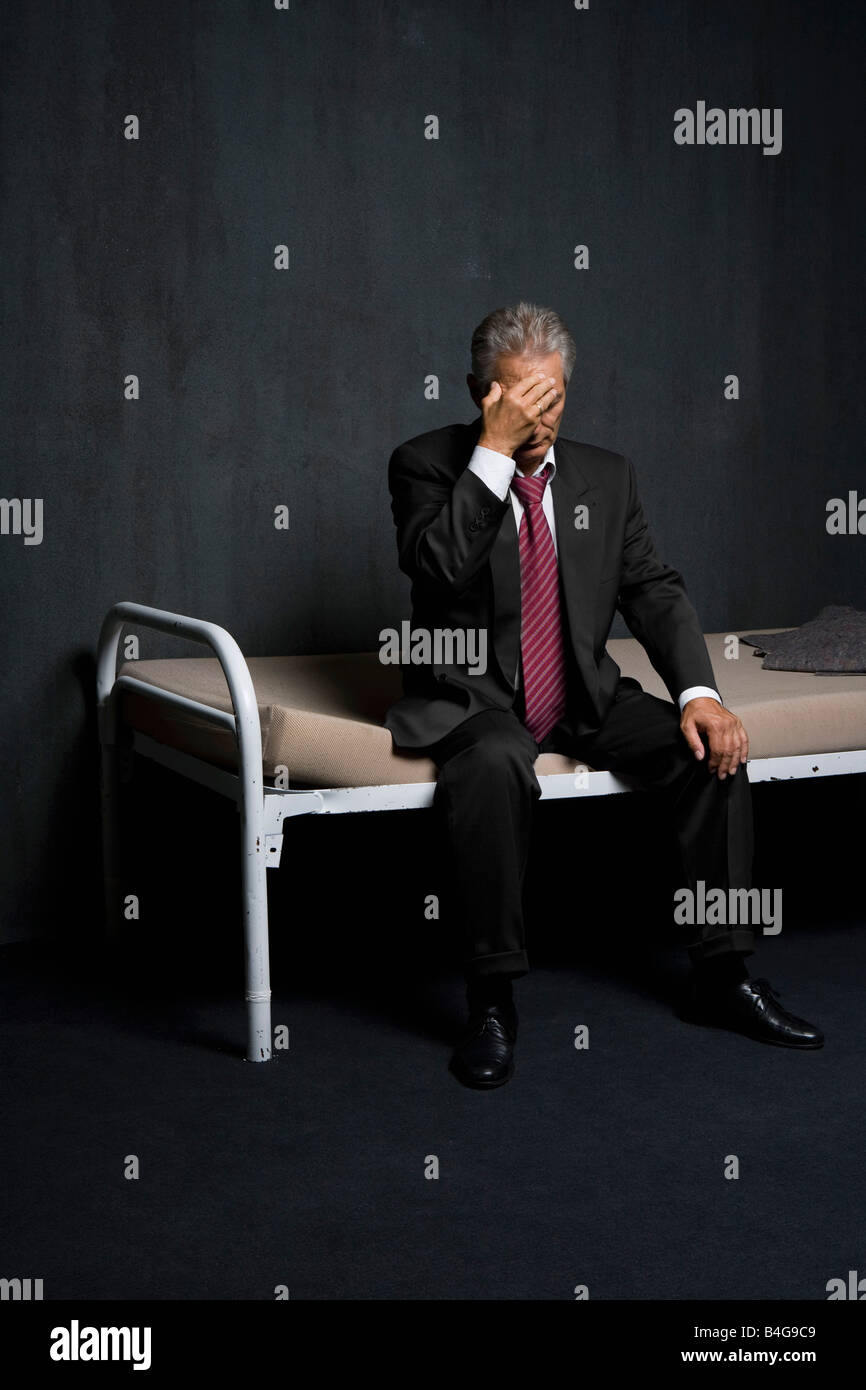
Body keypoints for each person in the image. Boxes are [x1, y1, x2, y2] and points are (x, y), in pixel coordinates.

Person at [385, 302, 822, 1088]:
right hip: (477, 698)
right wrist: (492, 450)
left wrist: (698, 692)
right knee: (489, 768)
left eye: (552, 398)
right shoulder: (423, 463)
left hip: (582, 693)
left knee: (709, 754)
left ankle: (721, 976)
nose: (539, 416)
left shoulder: (607, 477)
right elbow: (439, 568)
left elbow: (652, 588)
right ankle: (491, 1001)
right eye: (520, 399)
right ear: (479, 392)